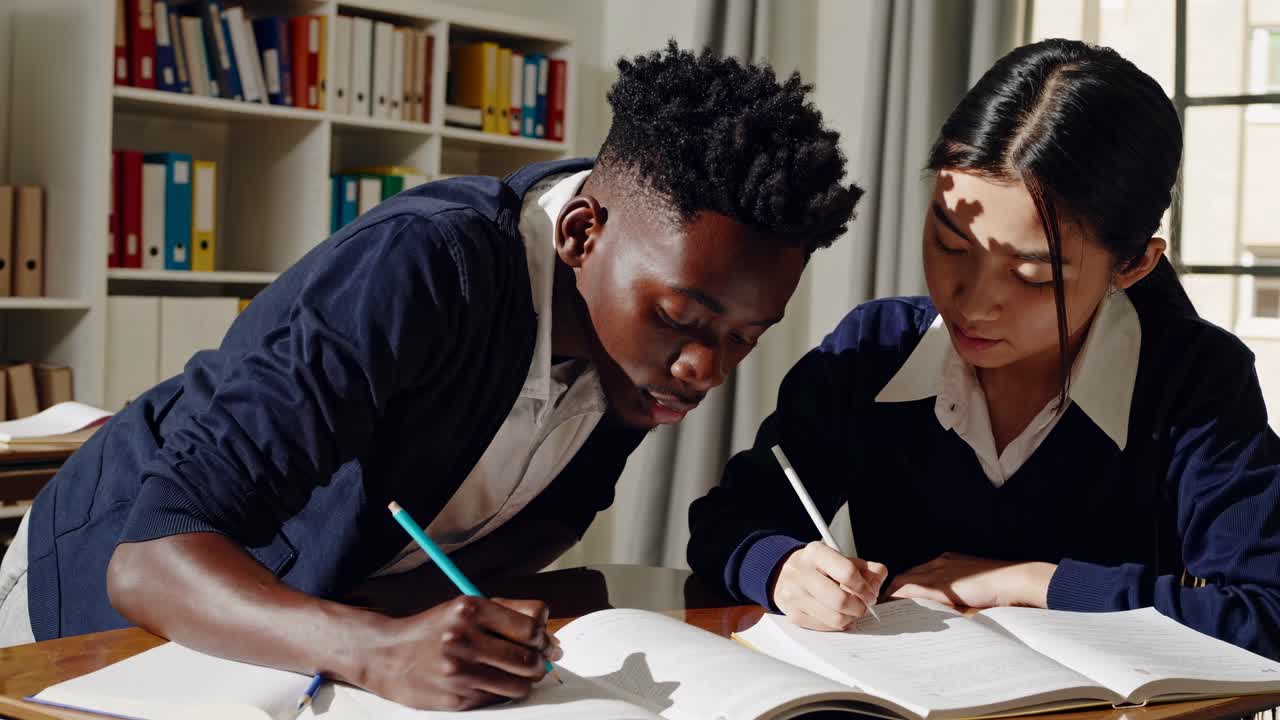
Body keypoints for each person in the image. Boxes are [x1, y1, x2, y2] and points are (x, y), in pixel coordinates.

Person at [0, 42, 863, 710]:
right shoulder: (422, 268)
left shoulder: (634, 345)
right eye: (681, 319)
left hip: (301, 637)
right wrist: (377, 645)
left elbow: (530, 518)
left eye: (746, 337)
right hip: (92, 606)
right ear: (581, 234)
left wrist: (444, 622)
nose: (705, 367)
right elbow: (151, 559)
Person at [688, 38, 1280, 660]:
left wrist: (1028, 583)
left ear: (1132, 265)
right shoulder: (875, 351)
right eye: (950, 246)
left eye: (1033, 276)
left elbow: (1265, 610)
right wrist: (780, 566)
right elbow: (727, 523)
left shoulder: (1194, 379)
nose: (973, 301)